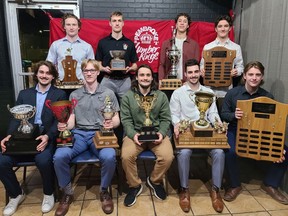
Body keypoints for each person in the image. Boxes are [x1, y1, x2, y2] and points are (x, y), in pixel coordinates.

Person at [53, 59, 120, 216]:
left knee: (109, 156)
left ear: (98, 72)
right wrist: (64, 125)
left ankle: (104, 191)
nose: (89, 73)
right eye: (86, 71)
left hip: (100, 134)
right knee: (59, 156)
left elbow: (116, 118)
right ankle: (67, 192)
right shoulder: (75, 95)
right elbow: (71, 120)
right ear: (82, 73)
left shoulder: (108, 93)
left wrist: (112, 124)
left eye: (92, 70)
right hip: (79, 134)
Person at [0, 61, 67, 216]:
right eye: (41, 72)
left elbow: (59, 120)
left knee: (43, 160)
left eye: (48, 73)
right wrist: (9, 136)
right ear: (36, 74)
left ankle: (49, 193)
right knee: (2, 161)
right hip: (23, 136)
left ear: (52, 76)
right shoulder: (24, 94)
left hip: (45, 136)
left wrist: (47, 136)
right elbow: (15, 118)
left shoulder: (59, 94)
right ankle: (16, 194)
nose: (44, 76)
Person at [221, 61, 288, 204]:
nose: (254, 78)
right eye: (250, 74)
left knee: (284, 152)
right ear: (244, 76)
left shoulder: (268, 97)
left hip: (262, 133)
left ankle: (270, 184)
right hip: (236, 130)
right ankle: (234, 185)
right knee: (229, 151)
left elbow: (274, 123)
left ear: (262, 77)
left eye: (258, 75)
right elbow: (223, 114)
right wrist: (234, 115)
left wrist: (279, 146)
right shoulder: (233, 94)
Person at [170, 59, 225, 213]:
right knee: (184, 152)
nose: (193, 75)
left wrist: (218, 124)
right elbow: (174, 114)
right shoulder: (177, 93)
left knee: (219, 153)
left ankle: (216, 190)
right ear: (185, 74)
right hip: (187, 132)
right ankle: (184, 190)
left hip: (206, 132)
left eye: (196, 72)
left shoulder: (208, 92)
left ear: (200, 72)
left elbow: (213, 113)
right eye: (190, 72)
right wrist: (176, 125)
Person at [120, 64, 174, 207]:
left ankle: (154, 181)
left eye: (148, 75)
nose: (145, 78)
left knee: (168, 156)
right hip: (135, 134)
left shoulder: (161, 96)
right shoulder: (128, 96)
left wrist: (162, 133)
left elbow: (166, 118)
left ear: (152, 78)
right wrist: (133, 134)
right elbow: (125, 120)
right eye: (142, 75)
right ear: (136, 77)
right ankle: (135, 185)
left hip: (156, 134)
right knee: (126, 156)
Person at [200, 15, 244, 106]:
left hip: (226, 92)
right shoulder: (208, 47)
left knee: (224, 117)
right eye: (220, 26)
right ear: (216, 29)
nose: (223, 29)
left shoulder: (236, 48)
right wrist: (202, 71)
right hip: (209, 90)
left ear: (230, 28)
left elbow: (240, 67)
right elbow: (202, 65)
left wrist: (236, 71)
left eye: (226, 26)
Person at [95, 11, 138, 100]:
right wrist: (103, 68)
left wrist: (130, 69)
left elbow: (135, 65)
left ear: (123, 23)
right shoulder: (103, 42)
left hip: (125, 81)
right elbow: (98, 64)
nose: (117, 23)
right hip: (107, 80)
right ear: (110, 23)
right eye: (114, 21)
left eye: (119, 21)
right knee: (105, 108)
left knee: (127, 108)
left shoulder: (129, 43)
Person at [47, 13, 94, 82]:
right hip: (61, 86)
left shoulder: (87, 47)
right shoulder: (56, 45)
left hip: (81, 87)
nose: (71, 28)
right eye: (68, 24)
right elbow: (49, 65)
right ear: (64, 27)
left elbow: (92, 68)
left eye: (74, 25)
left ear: (78, 27)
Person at [158, 13, 199, 81]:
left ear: (188, 25)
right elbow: (162, 64)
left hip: (188, 82)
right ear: (176, 24)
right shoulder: (166, 44)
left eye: (185, 21)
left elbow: (196, 66)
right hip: (169, 82)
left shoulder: (194, 45)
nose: (182, 23)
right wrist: (160, 80)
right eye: (179, 21)